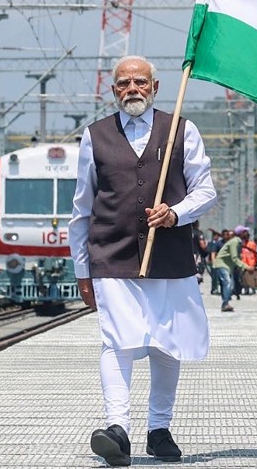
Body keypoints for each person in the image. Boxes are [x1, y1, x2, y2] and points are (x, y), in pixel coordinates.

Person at [69, 55, 217, 467]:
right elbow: (82, 208)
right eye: (123, 83)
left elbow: (206, 191)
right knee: (117, 337)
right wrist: (82, 269)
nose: (131, 89)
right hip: (111, 254)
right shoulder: (94, 136)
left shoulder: (182, 132)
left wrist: (175, 213)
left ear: (155, 88)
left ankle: (159, 429)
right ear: (113, 90)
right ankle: (117, 428)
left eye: (139, 82)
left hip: (168, 254)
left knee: (167, 341)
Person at [210, 225, 255, 312]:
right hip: (221, 264)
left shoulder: (237, 242)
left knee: (229, 284)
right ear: (241, 233)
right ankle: (225, 304)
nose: (247, 233)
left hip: (226, 265)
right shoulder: (235, 242)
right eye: (245, 232)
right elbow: (234, 258)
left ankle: (225, 302)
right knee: (228, 283)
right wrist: (247, 267)